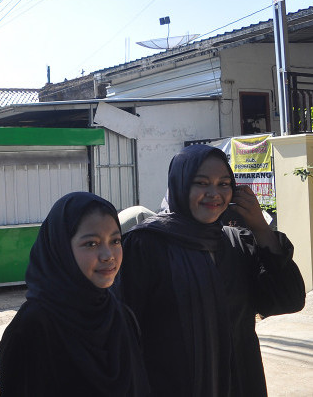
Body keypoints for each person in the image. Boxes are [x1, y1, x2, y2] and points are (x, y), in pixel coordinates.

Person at [119, 144, 306, 397]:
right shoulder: (146, 245)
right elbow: (125, 331)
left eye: (224, 184)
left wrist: (261, 227)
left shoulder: (237, 243)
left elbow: (288, 300)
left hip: (238, 383)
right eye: (201, 183)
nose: (214, 193)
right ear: (180, 184)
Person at [0, 192, 149, 396]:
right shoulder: (32, 328)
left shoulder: (120, 316)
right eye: (91, 244)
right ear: (61, 249)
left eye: (115, 241)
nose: (108, 255)